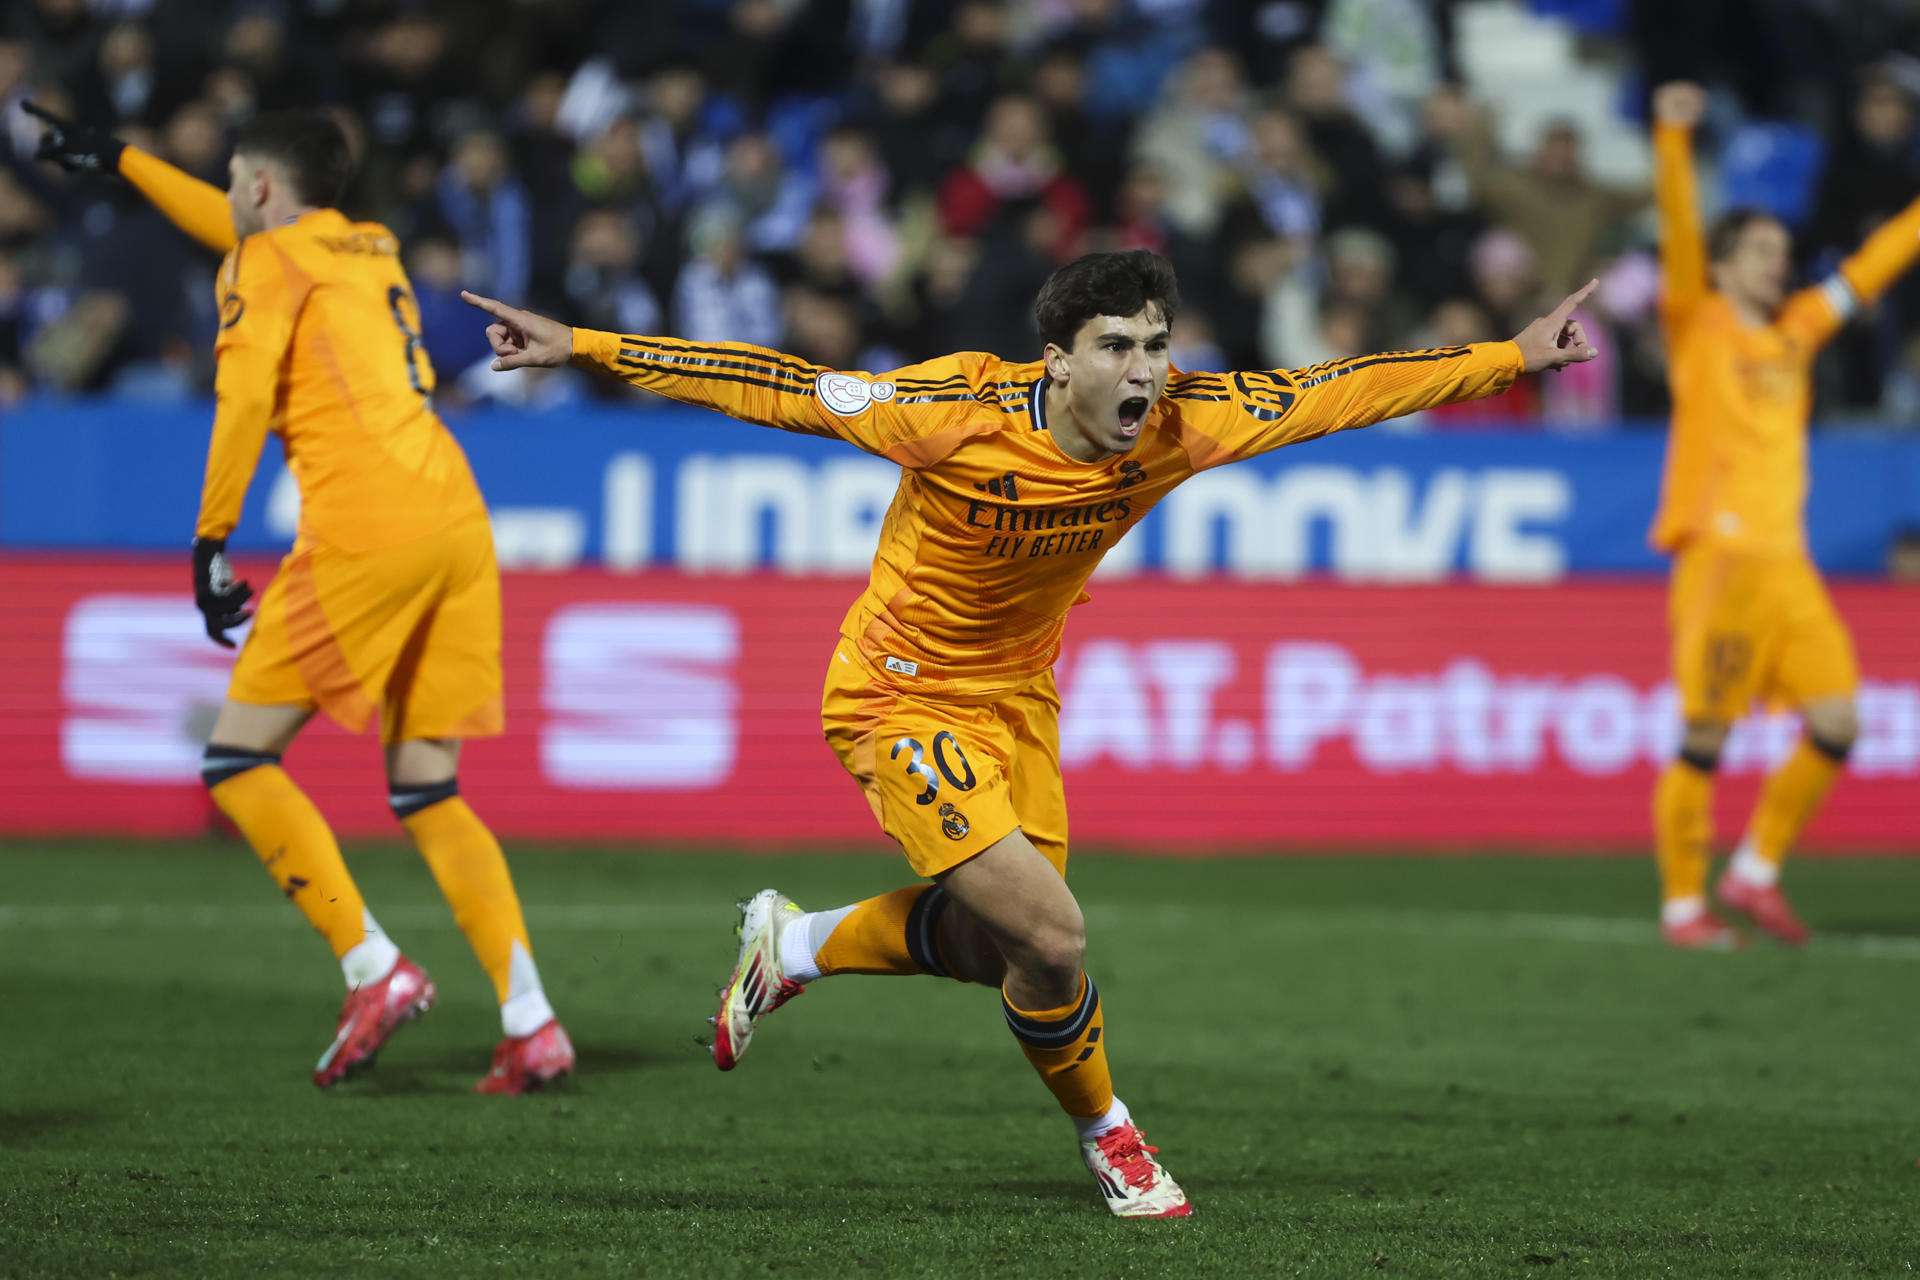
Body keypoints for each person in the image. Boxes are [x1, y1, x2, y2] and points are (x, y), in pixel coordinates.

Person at [462, 250, 1596, 1216]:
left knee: (1008, 949)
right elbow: (779, 383)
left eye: (1154, 342)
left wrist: (1512, 355)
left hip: (1018, 697)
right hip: (896, 692)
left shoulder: (1188, 420)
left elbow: (1345, 386)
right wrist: (590, 345)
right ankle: (1111, 1133)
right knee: (1053, 935)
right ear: (1057, 362)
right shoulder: (951, 410)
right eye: (1115, 346)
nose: (1144, 370)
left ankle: (793, 945)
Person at [24, 102, 574, 1093]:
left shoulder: (263, 264)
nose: (229, 194)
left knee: (238, 759)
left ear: (265, 187)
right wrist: (124, 160)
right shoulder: (367, 244)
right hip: (455, 516)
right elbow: (234, 225)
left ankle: (374, 966)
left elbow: (240, 399)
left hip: (366, 526)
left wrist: (210, 540)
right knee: (427, 785)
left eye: (235, 176)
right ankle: (531, 1019)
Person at [1646, 81, 1920, 949]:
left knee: (1840, 721)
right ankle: (1683, 904)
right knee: (1705, 733)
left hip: (1788, 565)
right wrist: (1672, 135)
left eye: (1779, 249)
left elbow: (1873, 265)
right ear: (1723, 267)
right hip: (1720, 562)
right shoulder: (1698, 324)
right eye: (1758, 249)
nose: (1776, 261)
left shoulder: (1799, 327)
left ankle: (1756, 870)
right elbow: (1680, 227)